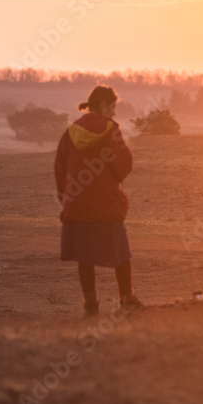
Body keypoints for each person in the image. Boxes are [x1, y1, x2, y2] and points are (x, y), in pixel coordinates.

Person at [55, 85, 144, 315]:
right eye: (113, 107)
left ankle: (91, 305)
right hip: (106, 204)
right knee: (121, 253)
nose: (114, 112)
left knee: (85, 257)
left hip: (78, 205)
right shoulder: (110, 130)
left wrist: (65, 198)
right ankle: (126, 298)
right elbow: (123, 165)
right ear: (104, 105)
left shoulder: (71, 131)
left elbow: (59, 167)